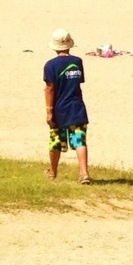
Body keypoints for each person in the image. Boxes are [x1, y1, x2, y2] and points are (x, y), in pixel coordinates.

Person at [43, 29, 92, 184]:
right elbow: (78, 82)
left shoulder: (50, 65)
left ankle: (53, 172)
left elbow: (50, 88)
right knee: (79, 140)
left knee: (56, 140)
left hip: (59, 108)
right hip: (77, 106)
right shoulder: (77, 62)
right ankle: (84, 173)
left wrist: (49, 111)